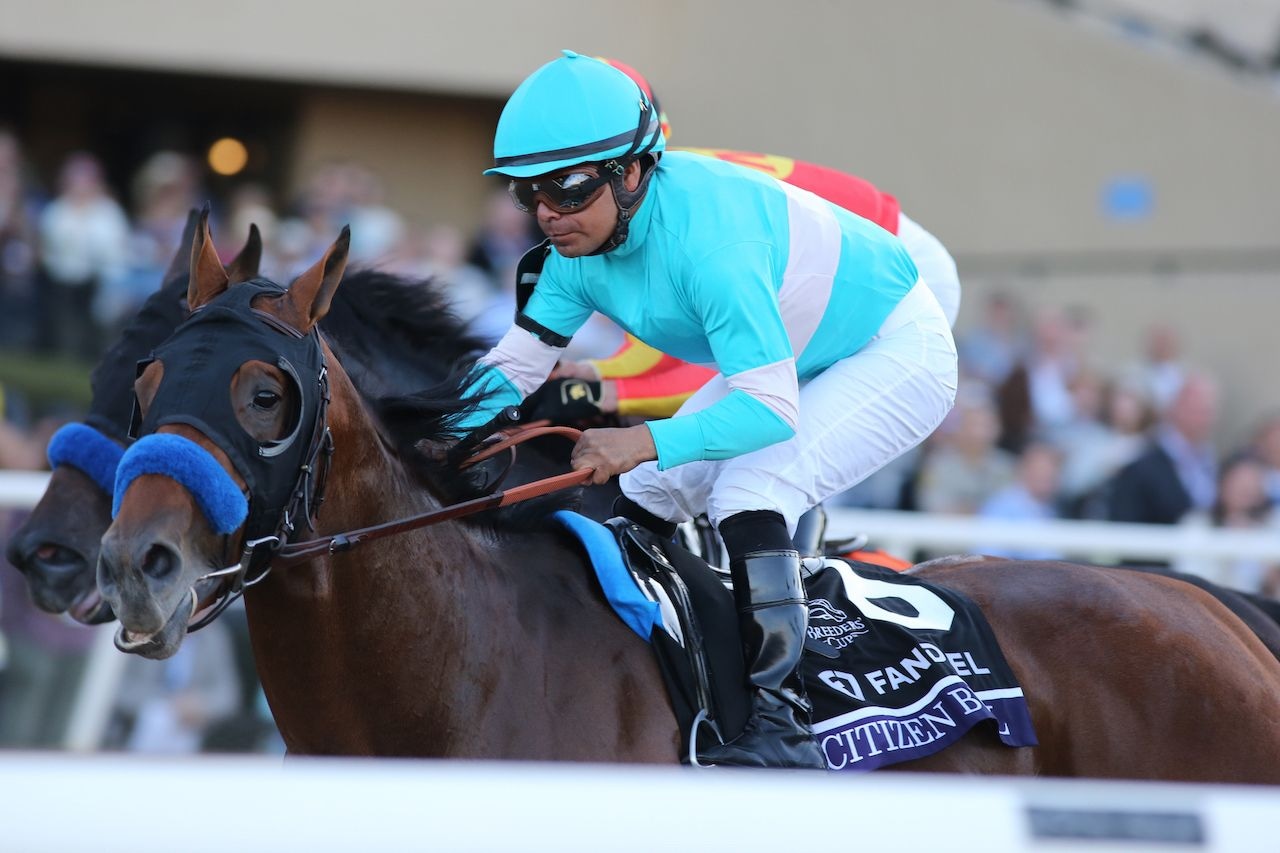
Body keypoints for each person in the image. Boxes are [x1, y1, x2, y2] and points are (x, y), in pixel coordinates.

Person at [453, 51, 957, 768]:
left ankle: (783, 726)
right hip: (803, 346)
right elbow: (511, 369)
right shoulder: (573, 250)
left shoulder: (712, 246)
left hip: (895, 347)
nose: (545, 213)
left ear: (630, 172)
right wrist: (428, 434)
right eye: (525, 190)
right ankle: (660, 670)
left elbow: (769, 412)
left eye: (564, 188)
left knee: (751, 489)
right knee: (646, 493)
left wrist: (642, 439)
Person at [524, 57, 960, 423]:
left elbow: (733, 377)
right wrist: (594, 374)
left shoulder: (683, 215)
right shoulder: (662, 191)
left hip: (896, 272)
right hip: (865, 252)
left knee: (771, 422)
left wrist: (601, 394)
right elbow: (659, 352)